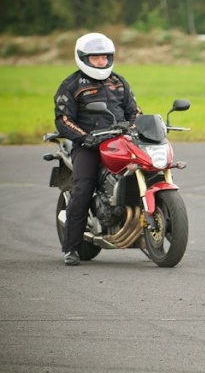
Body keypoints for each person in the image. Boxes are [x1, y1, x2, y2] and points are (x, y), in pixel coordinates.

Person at [54, 33, 140, 266]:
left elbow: (134, 111)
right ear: (83, 58)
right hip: (88, 145)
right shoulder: (71, 85)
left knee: (143, 168)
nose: (101, 62)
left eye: (105, 58)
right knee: (83, 187)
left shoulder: (119, 82)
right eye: (96, 58)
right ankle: (71, 248)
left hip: (119, 141)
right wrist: (85, 137)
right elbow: (63, 119)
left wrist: (136, 127)